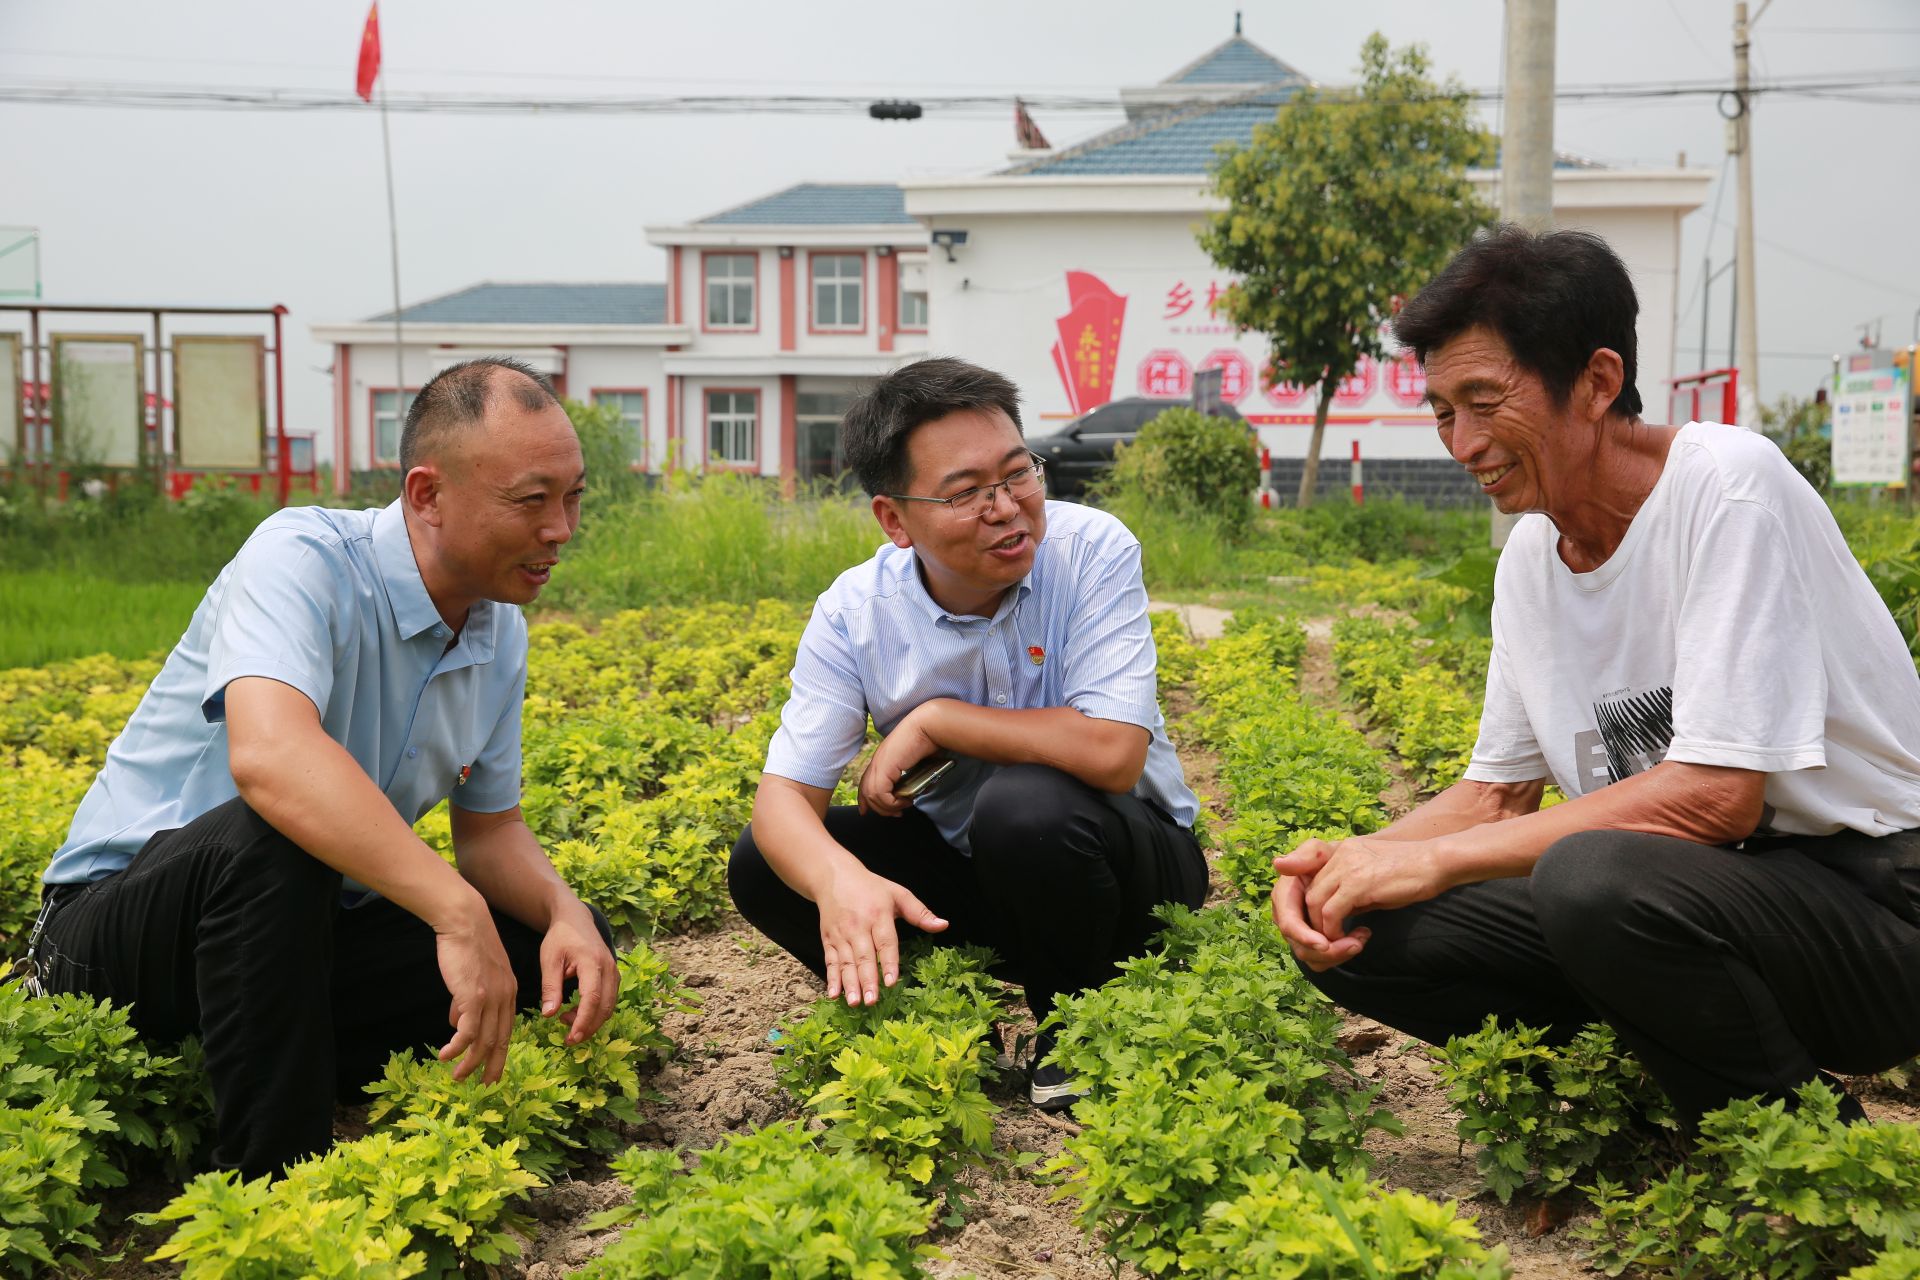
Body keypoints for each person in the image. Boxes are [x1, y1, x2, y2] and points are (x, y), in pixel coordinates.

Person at [1271, 225, 1920, 1124]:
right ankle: (1642, 1095)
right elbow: (1496, 796)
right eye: (1442, 410)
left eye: (1486, 401)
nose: (1462, 443)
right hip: (1694, 903)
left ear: (1597, 382)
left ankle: (1803, 1141)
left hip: (1873, 908)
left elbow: (1713, 799)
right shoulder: (1533, 559)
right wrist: (1356, 861)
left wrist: (1435, 861)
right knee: (1363, 928)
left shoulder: (1726, 488)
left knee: (1591, 878)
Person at [24, 357, 619, 1178]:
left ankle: (273, 1052)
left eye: (574, 496)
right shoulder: (302, 557)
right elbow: (268, 759)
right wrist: (452, 910)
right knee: (281, 836)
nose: (561, 528)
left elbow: (492, 833)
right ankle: (274, 1192)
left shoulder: (496, 628)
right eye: (532, 499)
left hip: (293, 933)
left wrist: (564, 909)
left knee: (548, 947)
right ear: (427, 495)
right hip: (117, 931)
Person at [728, 356, 1206, 1109]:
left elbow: (1113, 754)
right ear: (894, 520)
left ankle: (1075, 1027)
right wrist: (838, 880)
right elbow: (783, 799)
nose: (1009, 508)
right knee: (764, 862)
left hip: (1130, 872)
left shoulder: (1090, 550)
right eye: (966, 493)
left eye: (1019, 474)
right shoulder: (856, 611)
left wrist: (942, 720)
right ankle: (948, 1025)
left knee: (1025, 803)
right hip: (977, 877)